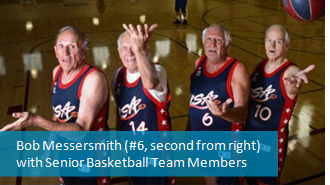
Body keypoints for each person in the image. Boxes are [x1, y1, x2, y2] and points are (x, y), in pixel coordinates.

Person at [1, 26, 110, 185]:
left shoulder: (93, 79)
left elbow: (81, 131)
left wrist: (36, 121)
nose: (65, 52)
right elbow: (58, 115)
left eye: (72, 46)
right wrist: (49, 149)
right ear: (55, 51)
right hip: (66, 155)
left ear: (84, 52)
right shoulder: (57, 72)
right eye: (61, 46)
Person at [245, 24, 315, 185]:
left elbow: (293, 80)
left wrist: (294, 84)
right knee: (249, 178)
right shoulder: (259, 66)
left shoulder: (290, 72)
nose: (272, 45)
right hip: (248, 136)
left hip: (269, 143)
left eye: (278, 41)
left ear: (287, 46)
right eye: (269, 40)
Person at [187, 23, 250, 185]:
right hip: (202, 142)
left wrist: (225, 114)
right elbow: (193, 102)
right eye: (208, 39)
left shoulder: (237, 69)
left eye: (218, 40)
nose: (212, 44)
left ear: (227, 44)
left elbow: (242, 113)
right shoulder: (198, 64)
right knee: (209, 179)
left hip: (227, 145)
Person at [113, 23, 175, 185]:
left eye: (134, 47)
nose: (130, 52)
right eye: (125, 48)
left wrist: (140, 48)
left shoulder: (158, 71)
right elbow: (119, 111)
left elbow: (149, 83)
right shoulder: (117, 76)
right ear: (118, 52)